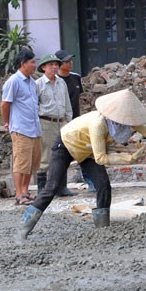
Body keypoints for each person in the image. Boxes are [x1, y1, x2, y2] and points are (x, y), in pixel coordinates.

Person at [16, 89, 146, 242]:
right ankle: (24, 229)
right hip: (66, 144)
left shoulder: (130, 123)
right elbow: (101, 158)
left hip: (88, 151)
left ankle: (102, 230)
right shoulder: (98, 124)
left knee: (103, 186)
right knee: (52, 187)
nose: (127, 124)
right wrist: (129, 159)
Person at [1, 48, 42, 206]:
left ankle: (25, 191)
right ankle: (19, 195)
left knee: (31, 163)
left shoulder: (32, 82)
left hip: (34, 127)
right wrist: (8, 122)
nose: (35, 65)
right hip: (21, 128)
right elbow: (5, 104)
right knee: (21, 163)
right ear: (23, 64)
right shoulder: (13, 81)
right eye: (32, 62)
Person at [55, 49, 96, 193]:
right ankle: (61, 186)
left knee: (84, 151)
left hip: (76, 120)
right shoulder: (55, 81)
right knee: (62, 154)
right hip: (60, 122)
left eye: (70, 60)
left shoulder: (76, 77)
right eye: (67, 62)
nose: (70, 63)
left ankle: (91, 182)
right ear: (59, 65)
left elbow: (79, 98)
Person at [35, 54, 76, 196]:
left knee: (63, 153)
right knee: (45, 155)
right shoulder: (38, 84)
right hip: (46, 122)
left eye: (56, 64)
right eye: (51, 64)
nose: (54, 67)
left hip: (62, 122)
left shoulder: (61, 83)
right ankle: (42, 188)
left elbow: (67, 104)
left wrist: (68, 121)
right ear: (43, 67)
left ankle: (61, 186)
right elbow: (35, 106)